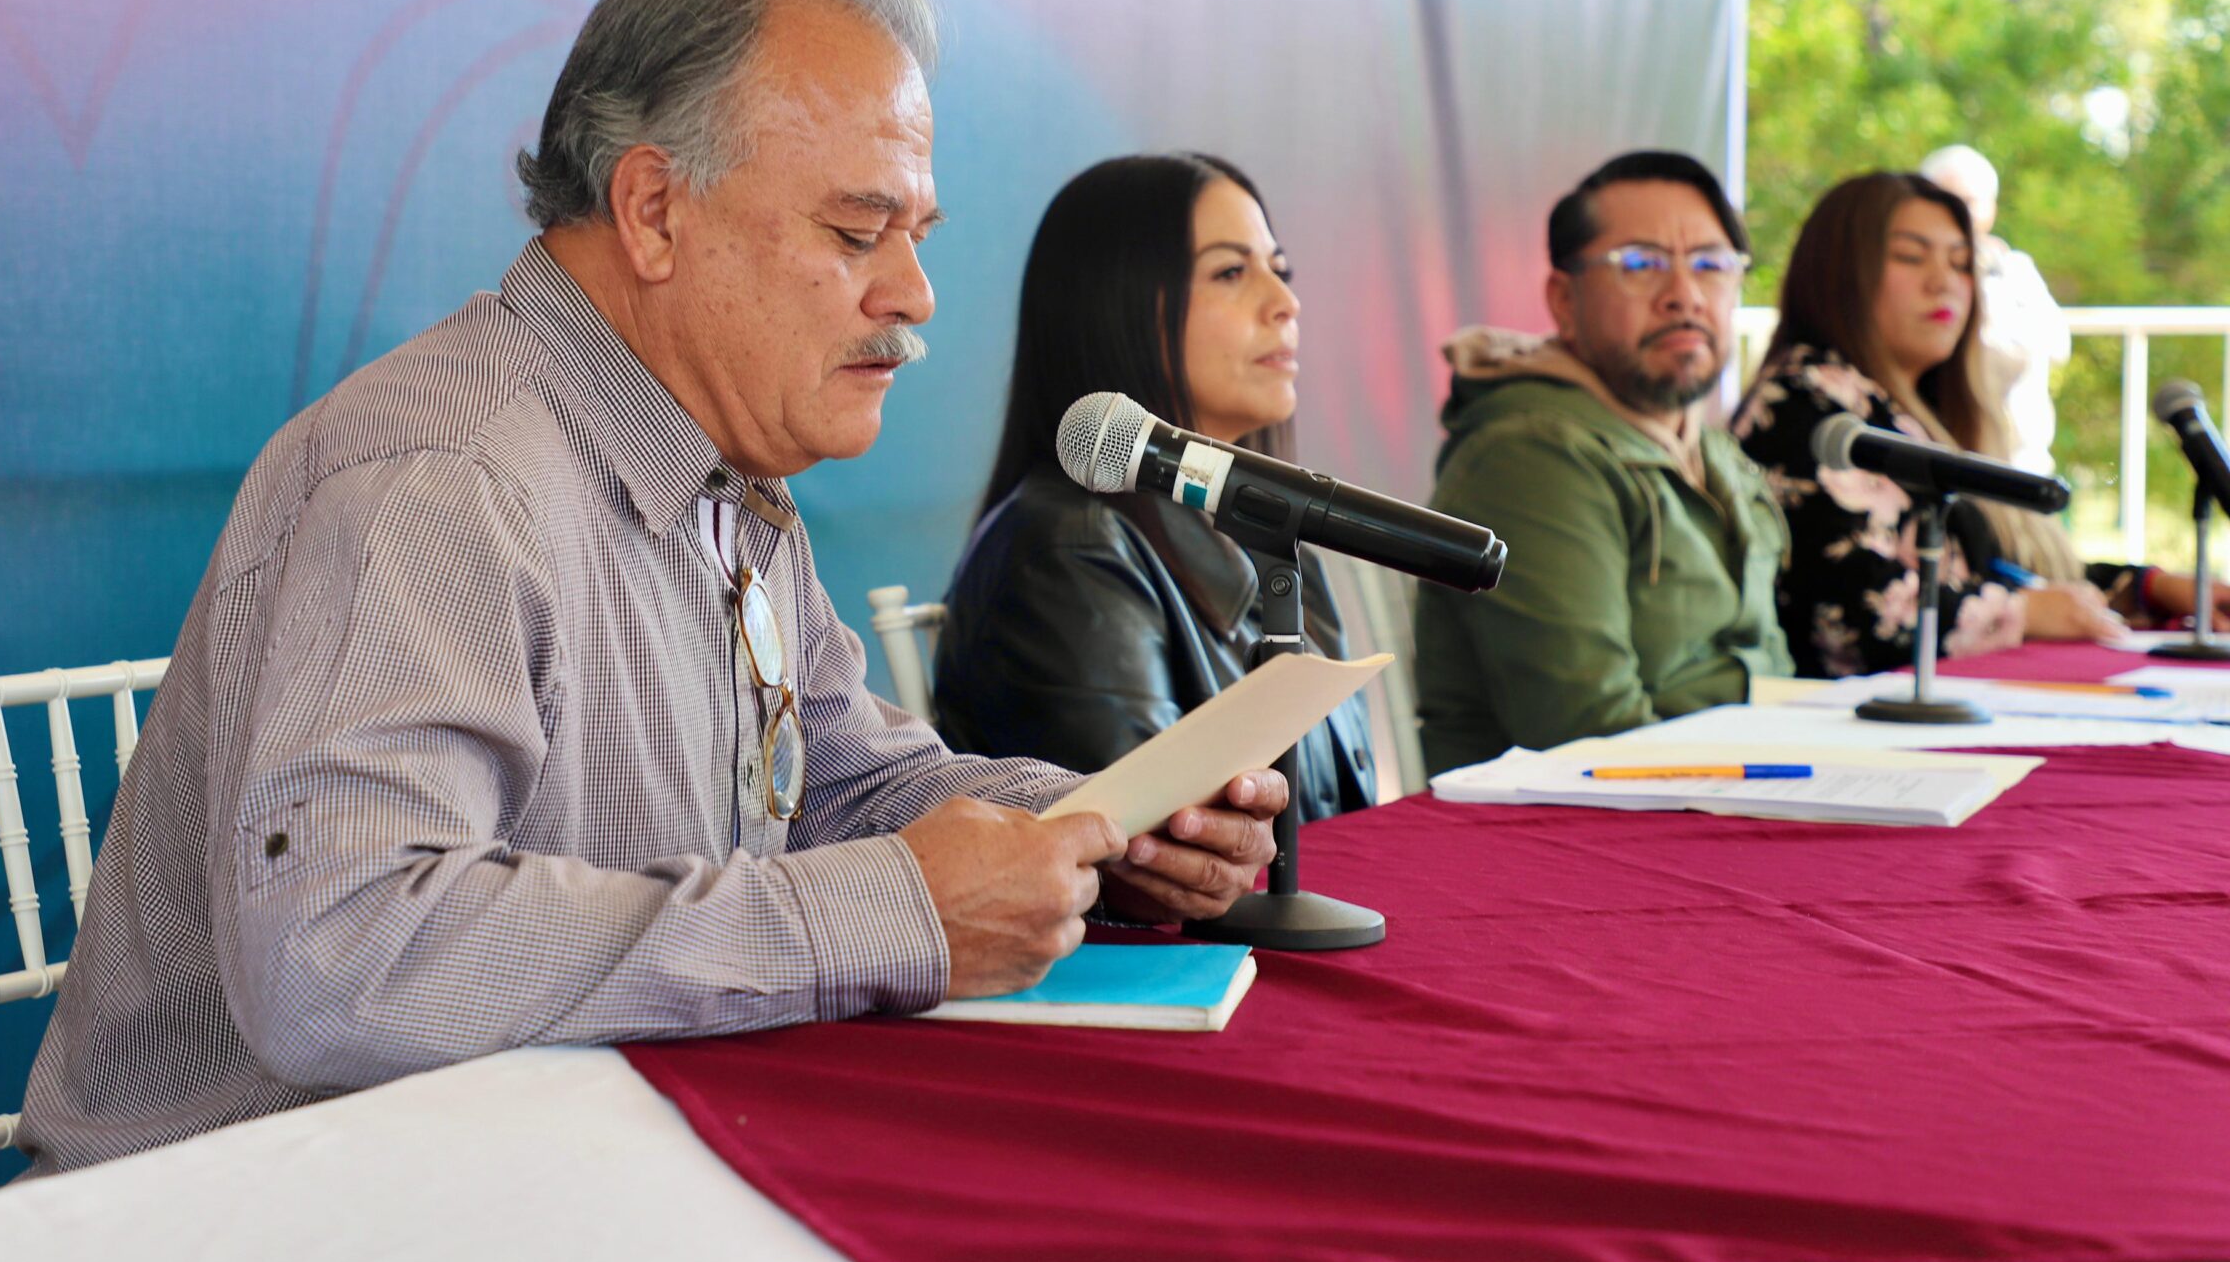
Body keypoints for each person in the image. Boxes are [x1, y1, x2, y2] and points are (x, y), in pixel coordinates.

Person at [18, 0, 1283, 1173]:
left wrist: (1094, 834)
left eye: (918, 235)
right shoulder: (445, 479)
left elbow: (836, 787)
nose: (913, 294)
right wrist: (893, 911)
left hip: (551, 1168)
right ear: (654, 210)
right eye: (857, 232)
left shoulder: (726, 472)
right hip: (265, 1215)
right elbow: (346, 954)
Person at [928, 155, 1380, 821]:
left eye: (1279, 269)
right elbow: (1153, 849)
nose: (1285, 302)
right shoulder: (1069, 549)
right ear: (1116, 305)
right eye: (1231, 272)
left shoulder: (1278, 546)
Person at [1731, 170, 2230, 678]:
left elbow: (2006, 574)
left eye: (1960, 263)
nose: (1943, 281)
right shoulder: (1803, 404)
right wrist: (2021, 615)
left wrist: (2146, 588)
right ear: (1838, 271)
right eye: (1910, 256)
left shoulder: (1917, 410)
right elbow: (1856, 613)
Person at [1413, 151, 1792, 777]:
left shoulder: (1710, 450)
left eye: (1711, 265)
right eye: (1641, 264)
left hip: (1736, 785)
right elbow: (1590, 734)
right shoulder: (1531, 456)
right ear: (1564, 299)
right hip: (1590, 821)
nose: (1685, 296)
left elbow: (1771, 668)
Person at [1920, 144, 2069, 477]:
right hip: (1944, 456)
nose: (1959, 213)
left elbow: (2058, 345)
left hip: (2022, 460)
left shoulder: (2014, 269)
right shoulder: (1913, 277)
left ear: (1991, 209)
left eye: (1970, 201)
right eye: (1946, 200)